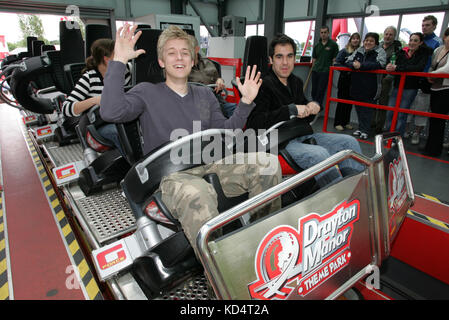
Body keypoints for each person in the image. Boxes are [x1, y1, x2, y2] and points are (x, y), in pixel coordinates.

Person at [99, 24, 282, 254]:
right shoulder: (146, 92)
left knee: (268, 163)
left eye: (185, 52)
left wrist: (244, 104)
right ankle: (220, 270)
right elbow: (110, 111)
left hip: (210, 163)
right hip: (172, 174)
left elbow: (228, 134)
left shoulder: (205, 94)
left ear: (193, 60)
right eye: (171, 52)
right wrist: (118, 62)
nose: (179, 58)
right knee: (197, 194)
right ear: (161, 61)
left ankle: (263, 246)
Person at [246, 33, 364, 189]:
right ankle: (339, 199)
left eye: (289, 56)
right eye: (279, 57)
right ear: (270, 60)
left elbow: (304, 111)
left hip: (302, 133)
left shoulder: (296, 81)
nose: (285, 62)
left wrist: (312, 106)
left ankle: (356, 188)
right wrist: (290, 110)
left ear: (295, 58)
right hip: (281, 142)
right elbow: (255, 123)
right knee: (320, 155)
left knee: (349, 142)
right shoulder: (262, 85)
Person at [61, 38, 131, 156]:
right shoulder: (89, 79)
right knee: (120, 133)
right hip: (100, 125)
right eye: (118, 55)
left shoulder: (126, 71)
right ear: (107, 59)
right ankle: (137, 166)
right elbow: (66, 109)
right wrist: (94, 100)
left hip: (124, 118)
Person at [385, 33, 432, 137]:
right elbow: (391, 63)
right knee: (390, 112)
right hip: (397, 86)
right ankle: (387, 135)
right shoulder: (401, 52)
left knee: (401, 114)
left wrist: (397, 68)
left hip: (410, 88)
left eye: (415, 40)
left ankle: (396, 137)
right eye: (411, 40)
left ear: (420, 43)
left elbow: (418, 67)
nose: (412, 43)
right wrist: (389, 66)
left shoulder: (422, 54)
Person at [407, 15, 444, 145]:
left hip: (427, 79)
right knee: (409, 105)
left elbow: (436, 62)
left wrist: (431, 75)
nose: (424, 27)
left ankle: (417, 133)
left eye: (427, 25)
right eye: (423, 25)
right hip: (414, 78)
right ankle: (406, 130)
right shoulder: (417, 39)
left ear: (434, 26)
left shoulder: (437, 42)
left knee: (422, 108)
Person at [346, 32, 386, 140]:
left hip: (371, 87)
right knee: (359, 109)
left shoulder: (380, 51)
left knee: (367, 111)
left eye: (371, 41)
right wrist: (354, 65)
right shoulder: (359, 50)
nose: (368, 43)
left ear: (376, 43)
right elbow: (348, 61)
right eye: (366, 40)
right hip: (357, 86)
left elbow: (381, 64)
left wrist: (361, 66)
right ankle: (360, 128)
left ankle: (365, 130)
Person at [187, 35, 236, 118]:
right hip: (197, 106)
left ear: (197, 49)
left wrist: (220, 80)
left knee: (240, 110)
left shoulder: (209, 63)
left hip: (216, 101)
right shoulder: (180, 69)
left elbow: (218, 78)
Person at [422, 27, 449, 157]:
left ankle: (435, 149)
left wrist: (432, 74)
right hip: (435, 87)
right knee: (433, 118)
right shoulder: (438, 50)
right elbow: (432, 65)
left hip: (445, 89)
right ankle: (429, 146)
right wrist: (430, 74)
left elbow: (446, 69)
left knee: (439, 119)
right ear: (445, 37)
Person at [372, 26, 402, 134]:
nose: (388, 36)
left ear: (394, 36)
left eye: (391, 34)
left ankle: (379, 127)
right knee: (372, 102)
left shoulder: (396, 49)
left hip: (386, 80)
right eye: (386, 34)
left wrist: (388, 77)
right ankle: (371, 123)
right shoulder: (377, 46)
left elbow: (396, 65)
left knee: (383, 104)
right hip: (374, 79)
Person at [333, 32, 361, 131]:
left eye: (357, 38)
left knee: (349, 103)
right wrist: (347, 69)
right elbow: (336, 64)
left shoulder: (360, 52)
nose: (355, 40)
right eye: (353, 38)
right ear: (350, 40)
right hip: (344, 80)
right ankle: (338, 122)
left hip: (354, 81)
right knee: (341, 101)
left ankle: (346, 122)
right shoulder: (344, 51)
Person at [311, 26, 339, 110]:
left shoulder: (333, 45)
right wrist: (313, 67)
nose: (323, 34)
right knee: (314, 91)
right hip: (315, 70)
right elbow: (314, 59)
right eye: (322, 32)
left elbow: (335, 59)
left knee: (320, 91)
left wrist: (333, 67)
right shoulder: (317, 45)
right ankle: (315, 107)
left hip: (325, 71)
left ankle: (317, 108)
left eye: (325, 32)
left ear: (328, 33)